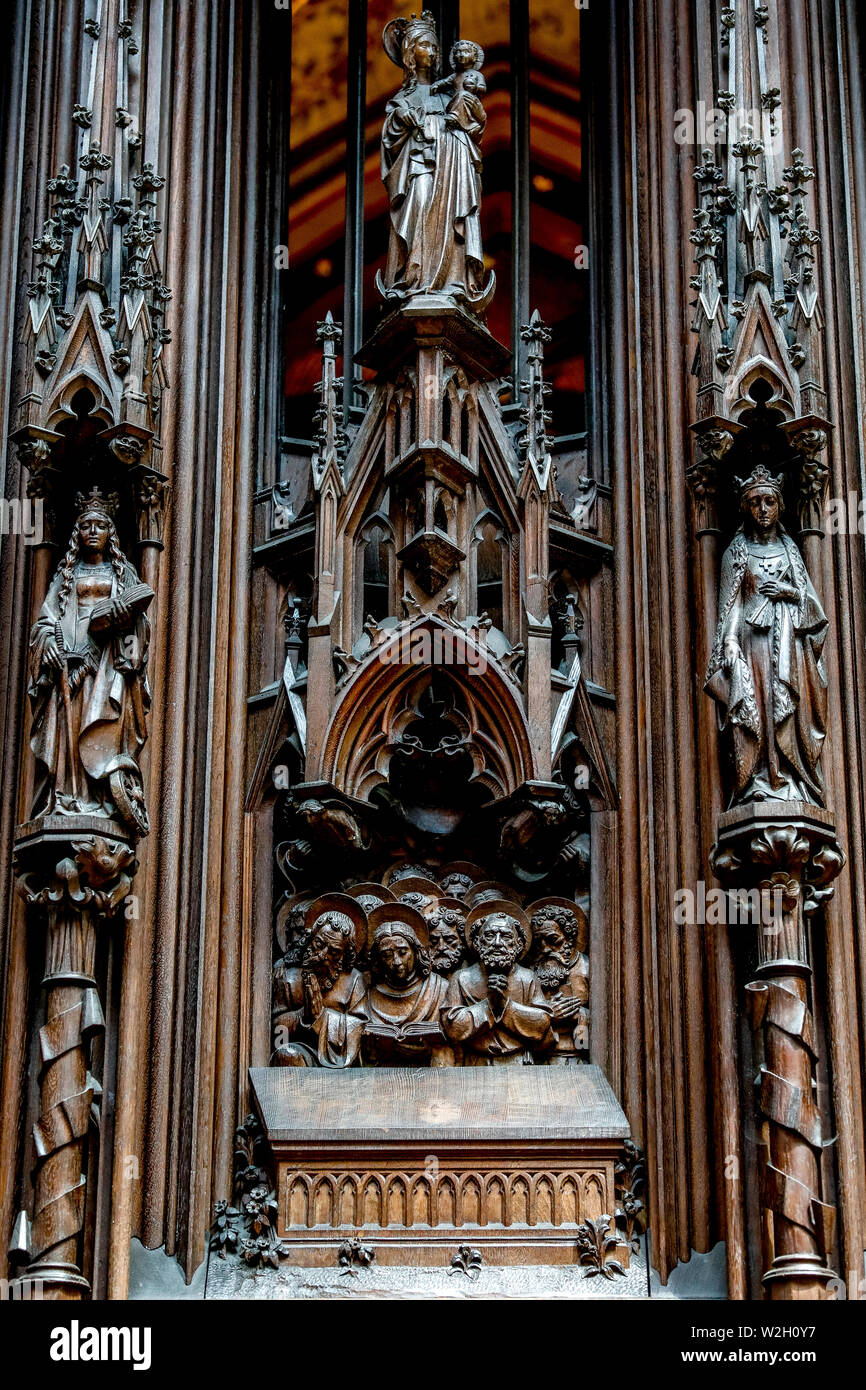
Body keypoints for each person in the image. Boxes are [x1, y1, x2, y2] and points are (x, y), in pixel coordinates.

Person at [705, 466, 828, 806]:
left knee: (786, 703)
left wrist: (787, 592)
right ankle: (761, 776)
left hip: (788, 641)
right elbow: (729, 605)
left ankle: (789, 778)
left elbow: (811, 602)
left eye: (769, 501)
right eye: (755, 502)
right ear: (745, 507)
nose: (762, 509)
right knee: (759, 705)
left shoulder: (790, 548)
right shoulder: (737, 551)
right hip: (752, 642)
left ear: (779, 505)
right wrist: (728, 643)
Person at [28, 488, 150, 830]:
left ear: (110, 531)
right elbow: (45, 620)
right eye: (86, 525)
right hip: (71, 658)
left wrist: (128, 636)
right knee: (69, 723)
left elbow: (140, 621)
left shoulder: (121, 574)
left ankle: (97, 798)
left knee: (101, 723)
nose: (92, 531)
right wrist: (50, 643)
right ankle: (68, 794)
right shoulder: (66, 577)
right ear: (77, 533)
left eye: (100, 525)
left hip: (105, 664)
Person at [378, 12, 492, 308]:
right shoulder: (403, 99)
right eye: (426, 45)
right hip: (421, 168)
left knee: (454, 217)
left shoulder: (449, 93)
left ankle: (454, 279)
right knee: (419, 203)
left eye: (434, 46)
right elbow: (391, 138)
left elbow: (472, 126)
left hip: (452, 171)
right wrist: (402, 120)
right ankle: (415, 278)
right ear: (410, 54)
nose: (434, 51)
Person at [442, 901, 555, 1064]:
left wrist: (504, 1005)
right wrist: (489, 1005)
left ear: (518, 944)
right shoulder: (462, 978)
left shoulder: (527, 977)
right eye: (489, 935)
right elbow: (453, 1028)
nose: (496, 942)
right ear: (477, 942)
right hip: (475, 1063)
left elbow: (542, 1024)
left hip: (518, 1062)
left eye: (506, 936)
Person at [272, 896, 367, 1067]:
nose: (322, 955)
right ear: (310, 938)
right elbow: (277, 1030)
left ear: (344, 955)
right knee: (286, 1056)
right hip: (301, 1050)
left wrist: (321, 1017)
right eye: (319, 944)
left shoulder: (353, 980)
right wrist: (302, 1015)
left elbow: (361, 1028)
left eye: (334, 952)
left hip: (342, 1058)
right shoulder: (288, 977)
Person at [362, 904, 453, 1066]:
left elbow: (458, 1043)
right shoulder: (368, 991)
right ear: (378, 960)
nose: (396, 962)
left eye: (403, 952)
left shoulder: (440, 988)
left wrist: (432, 1050)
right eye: (387, 955)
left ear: (416, 951)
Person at [528, 898, 589, 1063]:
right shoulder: (529, 972)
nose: (545, 949)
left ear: (568, 938)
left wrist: (580, 1015)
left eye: (552, 940)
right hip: (536, 1057)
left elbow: (606, 1019)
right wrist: (547, 1015)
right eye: (538, 943)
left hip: (575, 1056)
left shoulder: (586, 968)